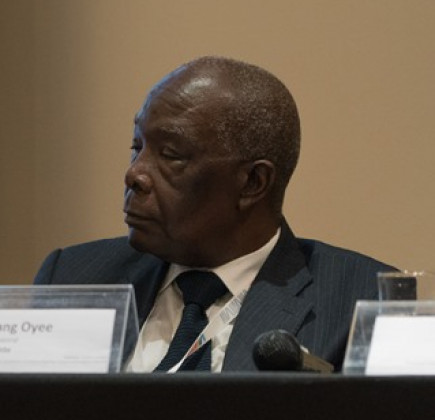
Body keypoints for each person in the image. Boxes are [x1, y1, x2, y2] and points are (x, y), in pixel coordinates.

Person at [34, 56, 392, 372]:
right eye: (137, 147)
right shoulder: (74, 278)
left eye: (171, 155)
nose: (135, 174)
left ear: (253, 182)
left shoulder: (362, 303)